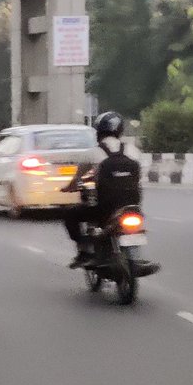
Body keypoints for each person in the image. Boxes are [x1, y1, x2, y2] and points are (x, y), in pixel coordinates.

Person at [62, 111, 144, 268]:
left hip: (105, 208)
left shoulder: (93, 153)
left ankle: (84, 251)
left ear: (98, 131)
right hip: (133, 205)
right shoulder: (133, 151)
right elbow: (140, 177)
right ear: (120, 130)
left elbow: (77, 178)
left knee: (70, 213)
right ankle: (134, 257)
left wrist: (70, 187)